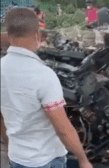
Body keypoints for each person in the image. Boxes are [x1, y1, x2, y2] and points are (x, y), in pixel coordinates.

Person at [1, 8, 93, 168]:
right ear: (37, 34)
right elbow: (63, 128)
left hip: (16, 158)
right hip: (45, 160)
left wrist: (9, 144)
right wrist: (83, 160)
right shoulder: (43, 75)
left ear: (8, 35)